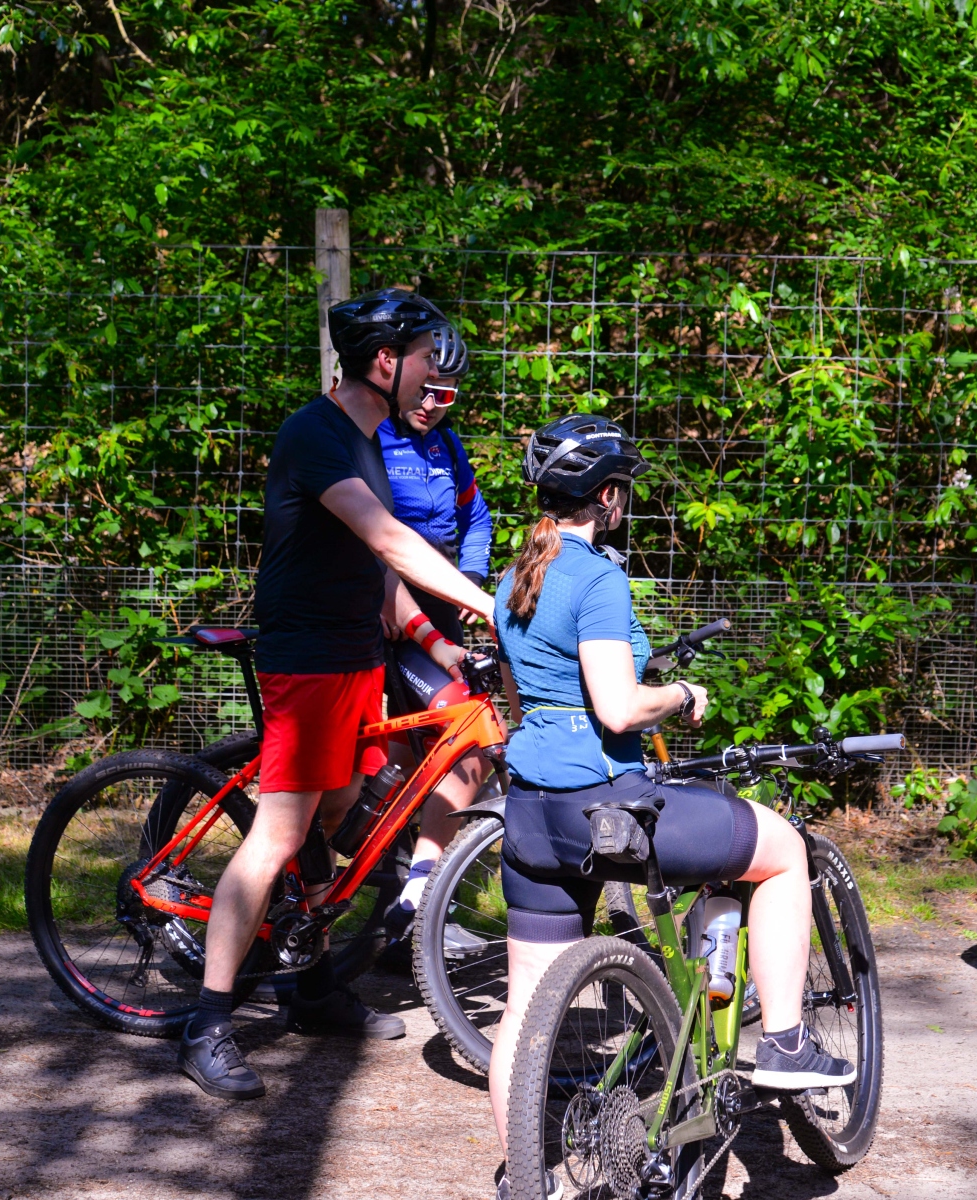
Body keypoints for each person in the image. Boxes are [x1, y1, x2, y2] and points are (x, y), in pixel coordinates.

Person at [485, 413, 853, 1197]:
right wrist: (681, 693)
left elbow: (524, 704)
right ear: (607, 498)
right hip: (606, 810)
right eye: (624, 491)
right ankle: (785, 1043)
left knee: (525, 1008)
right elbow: (618, 708)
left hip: (531, 817)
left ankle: (525, 1180)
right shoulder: (596, 578)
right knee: (782, 851)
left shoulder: (513, 579)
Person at [177, 288, 498, 1101]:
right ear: (385, 361)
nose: (434, 374)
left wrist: (434, 637)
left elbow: (374, 566)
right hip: (309, 661)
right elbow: (390, 539)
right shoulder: (316, 434)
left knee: (336, 814)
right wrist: (494, 605)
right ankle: (207, 1025)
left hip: (355, 656)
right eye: (423, 358)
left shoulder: (366, 440)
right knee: (279, 834)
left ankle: (312, 986)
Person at [374, 325, 496, 948]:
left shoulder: (447, 446)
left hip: (441, 608)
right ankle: (411, 900)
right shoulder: (371, 440)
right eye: (424, 389)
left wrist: (468, 581)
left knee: (425, 754)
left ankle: (405, 904)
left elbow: (476, 515)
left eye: (444, 395)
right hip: (390, 614)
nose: (429, 404)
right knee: (458, 744)